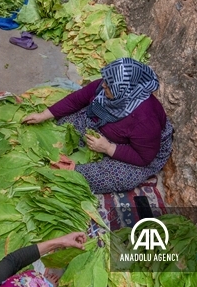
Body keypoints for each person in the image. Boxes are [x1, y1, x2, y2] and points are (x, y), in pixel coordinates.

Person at [22, 58, 173, 194]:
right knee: (63, 127)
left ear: (123, 92)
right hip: (103, 126)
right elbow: (76, 100)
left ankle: (75, 171)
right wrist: (43, 115)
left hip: (141, 151)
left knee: (119, 176)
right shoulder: (106, 86)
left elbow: (144, 157)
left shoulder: (145, 119)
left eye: (109, 86)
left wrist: (108, 148)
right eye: (105, 81)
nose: (104, 85)